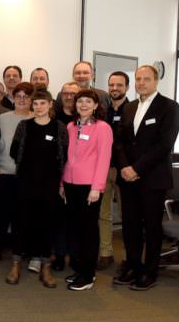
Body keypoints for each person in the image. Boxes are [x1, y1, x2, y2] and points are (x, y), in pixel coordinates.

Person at [113, 65, 179, 291]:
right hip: (128, 177)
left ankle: (149, 271)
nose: (141, 83)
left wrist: (137, 168)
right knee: (130, 226)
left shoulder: (169, 107)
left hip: (153, 178)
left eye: (146, 79)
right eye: (138, 79)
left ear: (156, 81)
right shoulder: (130, 107)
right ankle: (132, 265)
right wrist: (124, 167)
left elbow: (164, 144)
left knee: (151, 227)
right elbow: (120, 141)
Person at [9, 88, 68, 288]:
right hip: (25, 183)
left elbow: (64, 156)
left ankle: (45, 267)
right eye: (35, 104)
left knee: (46, 225)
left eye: (43, 103)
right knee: (20, 224)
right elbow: (14, 151)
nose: (39, 107)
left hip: (49, 186)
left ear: (50, 104)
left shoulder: (59, 127)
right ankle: (16, 264)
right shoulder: (24, 126)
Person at [62, 89, 113, 291]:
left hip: (89, 187)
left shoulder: (103, 128)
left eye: (88, 102)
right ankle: (79, 269)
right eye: (80, 101)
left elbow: (103, 160)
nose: (83, 105)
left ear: (95, 105)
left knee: (88, 231)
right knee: (75, 230)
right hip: (70, 184)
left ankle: (88, 275)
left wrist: (97, 187)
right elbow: (66, 158)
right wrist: (61, 184)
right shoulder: (70, 126)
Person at [0, 82, 33, 271]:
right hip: (2, 175)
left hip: (26, 179)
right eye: (18, 96)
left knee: (22, 219)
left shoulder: (37, 119)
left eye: (26, 97)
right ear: (13, 98)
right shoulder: (2, 118)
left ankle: (19, 255)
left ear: (32, 100)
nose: (21, 100)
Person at [97, 71, 130, 271]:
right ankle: (105, 253)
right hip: (104, 169)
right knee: (104, 214)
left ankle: (128, 256)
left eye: (119, 85)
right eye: (111, 85)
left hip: (125, 170)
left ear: (127, 87)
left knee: (128, 215)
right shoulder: (102, 111)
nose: (115, 88)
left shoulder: (133, 110)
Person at [51, 81, 80, 271]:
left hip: (79, 176)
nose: (68, 96)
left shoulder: (85, 118)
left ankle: (76, 255)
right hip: (57, 175)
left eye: (72, 93)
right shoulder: (54, 117)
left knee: (76, 218)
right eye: (65, 93)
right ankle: (60, 255)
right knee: (59, 218)